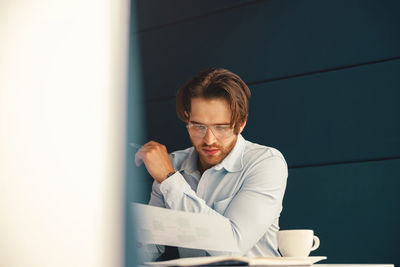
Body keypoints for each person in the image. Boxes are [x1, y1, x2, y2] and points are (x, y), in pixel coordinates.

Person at [135, 68, 288, 260]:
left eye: (221, 127)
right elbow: (150, 246)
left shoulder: (266, 163)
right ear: (187, 118)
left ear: (241, 123)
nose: (209, 140)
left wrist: (168, 179)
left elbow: (233, 246)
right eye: (198, 126)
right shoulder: (173, 164)